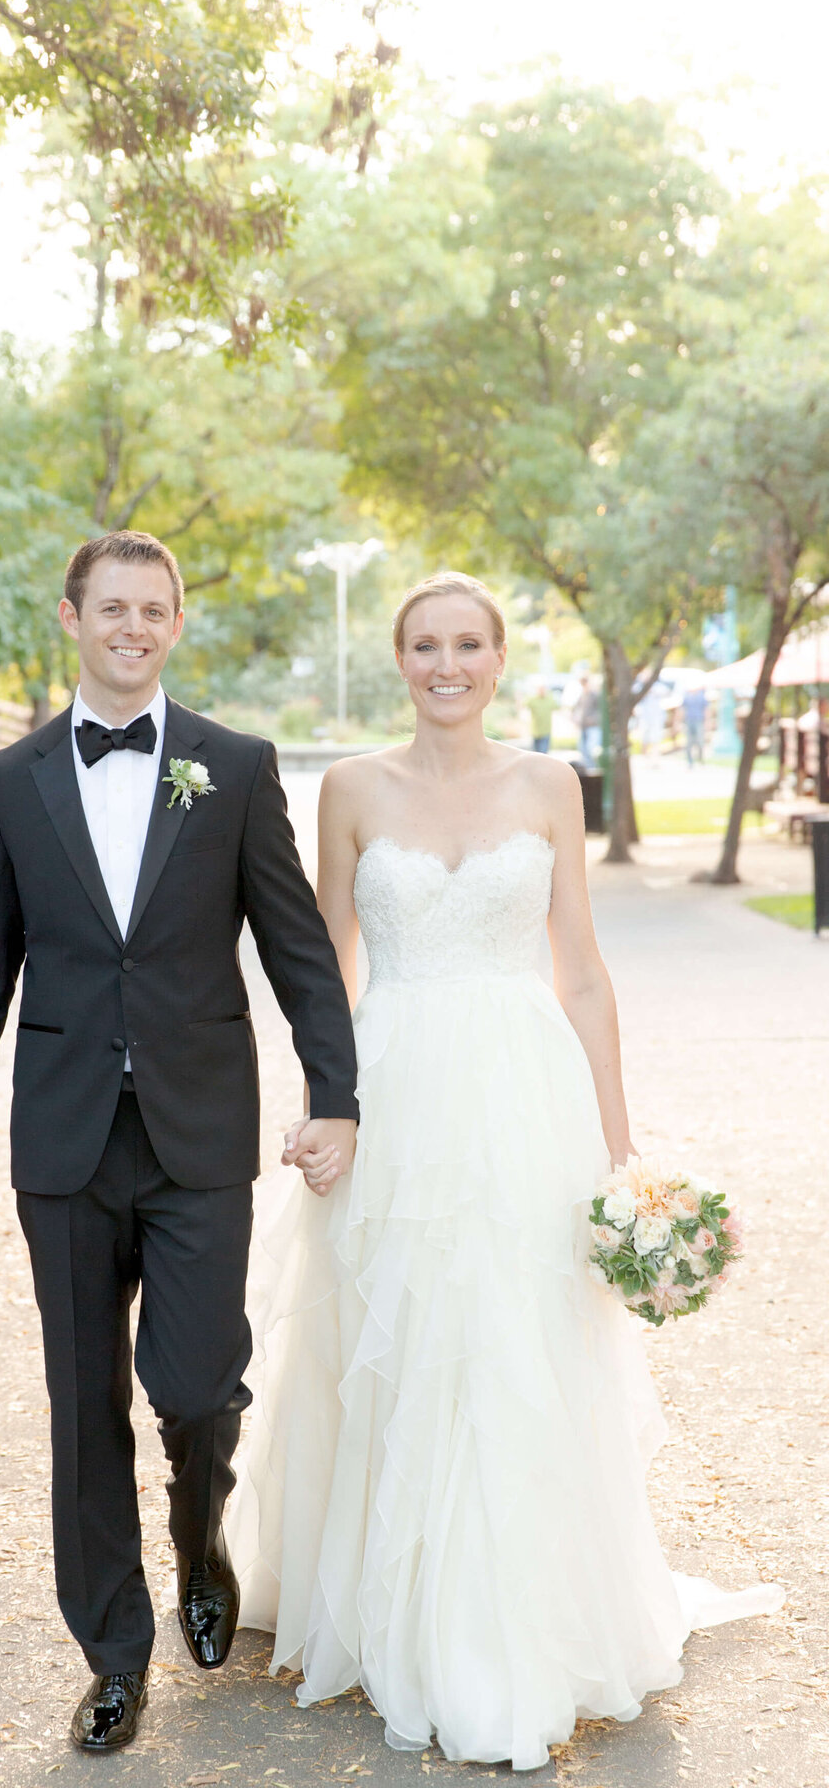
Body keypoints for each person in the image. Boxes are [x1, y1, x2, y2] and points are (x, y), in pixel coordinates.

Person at [226, 571, 782, 1772]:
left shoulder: (547, 784)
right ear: (400, 659)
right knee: (402, 1339)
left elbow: (579, 970)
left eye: (468, 644)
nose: (447, 664)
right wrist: (331, 1108)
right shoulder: (355, 789)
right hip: (396, 1098)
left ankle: (519, 1616)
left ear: (497, 659)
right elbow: (326, 964)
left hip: (528, 1100)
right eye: (425, 644)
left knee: (520, 1341)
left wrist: (620, 1148)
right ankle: (400, 1614)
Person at [0, 531, 358, 1754]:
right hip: (62, 1142)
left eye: (153, 610)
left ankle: (201, 1532)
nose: (131, 628)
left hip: (199, 1133)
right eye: (110, 608)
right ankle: (114, 1656)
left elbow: (297, 950)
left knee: (192, 1383)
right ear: (70, 617)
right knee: (82, 1404)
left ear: (176, 622)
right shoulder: (11, 781)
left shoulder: (233, 765)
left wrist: (337, 1094)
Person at [574, 669, 602, 766]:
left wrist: (593, 718)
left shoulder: (594, 694)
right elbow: (577, 708)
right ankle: (589, 768)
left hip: (593, 726)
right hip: (583, 726)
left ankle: (594, 768)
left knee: (592, 749)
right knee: (583, 750)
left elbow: (600, 710)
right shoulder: (582, 695)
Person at [525, 678, 555, 753]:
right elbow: (523, 705)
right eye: (540, 689)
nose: (542, 690)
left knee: (543, 753)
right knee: (535, 754)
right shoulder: (532, 700)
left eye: (543, 689)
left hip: (545, 731)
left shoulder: (549, 700)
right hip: (535, 731)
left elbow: (559, 707)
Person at [684, 681, 709, 767]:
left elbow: (706, 710)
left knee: (700, 741)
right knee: (689, 742)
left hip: (699, 720)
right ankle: (690, 761)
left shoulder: (701, 697)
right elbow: (682, 709)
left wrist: (707, 721)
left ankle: (700, 759)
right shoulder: (687, 696)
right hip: (689, 720)